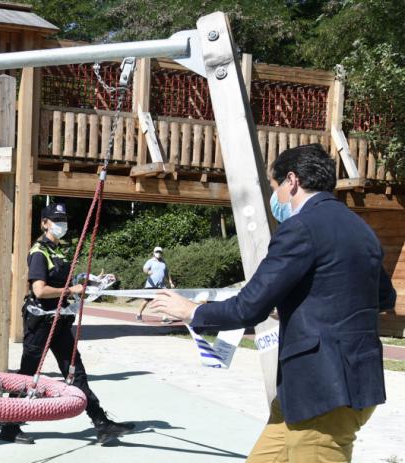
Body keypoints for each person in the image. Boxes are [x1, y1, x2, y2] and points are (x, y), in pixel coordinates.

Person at [149, 144, 396, 462]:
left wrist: (192, 311)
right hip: (342, 384)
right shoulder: (360, 229)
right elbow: (383, 297)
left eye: (275, 186)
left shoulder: (299, 228)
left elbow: (248, 308)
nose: (275, 195)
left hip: (321, 389)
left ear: (291, 181)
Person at [0, 202, 135, 445]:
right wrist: (71, 288)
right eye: (56, 220)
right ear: (44, 223)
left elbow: (66, 284)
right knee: (27, 375)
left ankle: (101, 423)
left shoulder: (59, 252)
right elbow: (39, 290)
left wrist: (90, 283)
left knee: (76, 372)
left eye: (63, 220)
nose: (61, 224)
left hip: (60, 321)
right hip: (40, 323)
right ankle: (9, 425)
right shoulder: (39, 253)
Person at [136, 246, 174, 322]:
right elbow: (145, 268)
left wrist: (170, 282)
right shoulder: (150, 261)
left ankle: (164, 318)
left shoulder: (163, 262)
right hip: (151, 285)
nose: (158, 253)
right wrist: (148, 272)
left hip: (161, 285)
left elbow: (167, 273)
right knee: (146, 301)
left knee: (164, 301)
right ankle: (138, 315)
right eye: (157, 252)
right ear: (153, 253)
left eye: (160, 252)